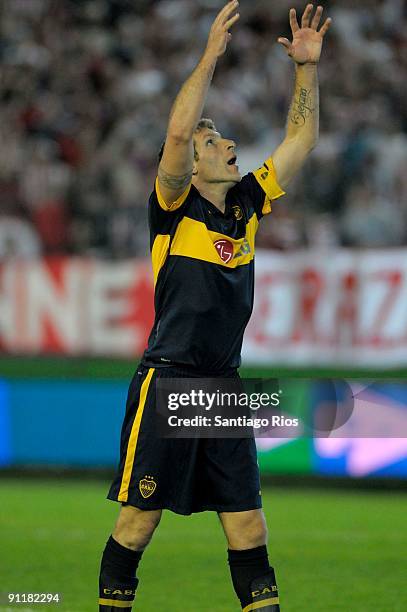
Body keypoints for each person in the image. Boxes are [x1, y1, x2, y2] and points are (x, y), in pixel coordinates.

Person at [98, 2, 331, 610]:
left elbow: (302, 137)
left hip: (223, 389)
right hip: (169, 381)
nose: (226, 142)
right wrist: (209, 56)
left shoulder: (247, 205)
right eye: (214, 139)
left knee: (249, 529)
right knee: (137, 525)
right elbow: (176, 133)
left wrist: (306, 69)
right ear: (191, 165)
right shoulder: (172, 209)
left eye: (221, 136)